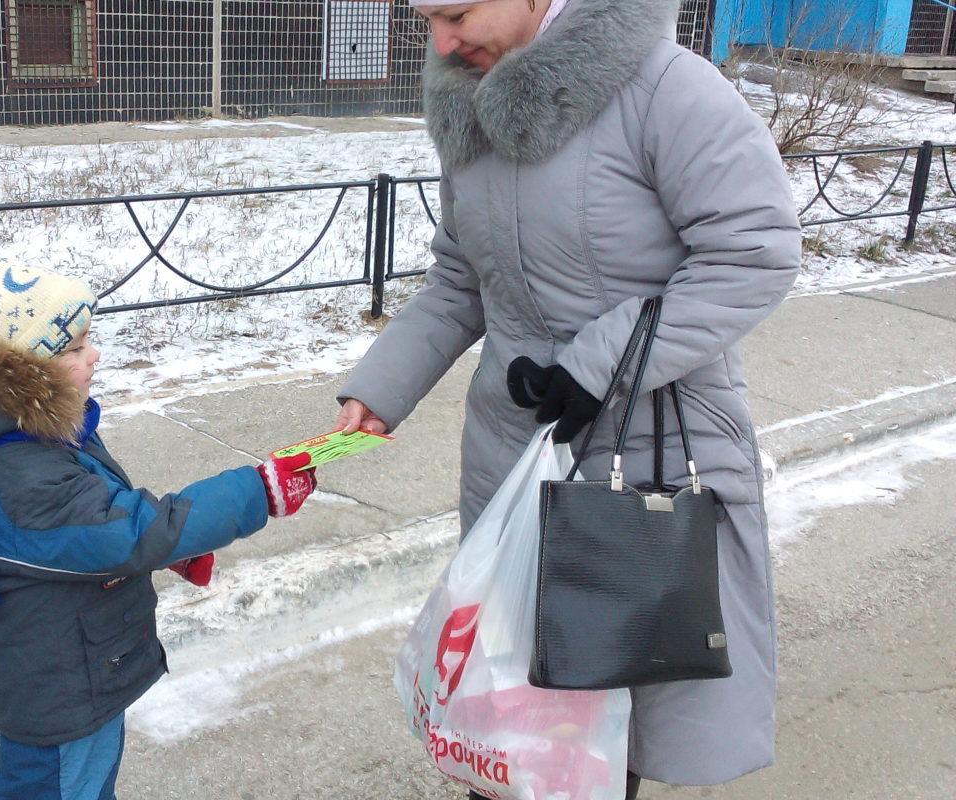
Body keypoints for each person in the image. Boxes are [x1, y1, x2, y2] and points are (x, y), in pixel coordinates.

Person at [335, 0, 802, 797]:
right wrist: (380, 391)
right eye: (428, 21)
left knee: (599, 735)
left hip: (649, 458)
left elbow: (754, 251)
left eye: (455, 13)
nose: (441, 44)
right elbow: (459, 279)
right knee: (511, 720)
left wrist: (595, 365)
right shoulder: (472, 102)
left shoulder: (666, 90)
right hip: (512, 457)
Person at [0, 259, 317, 799]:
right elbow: (123, 533)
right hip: (62, 691)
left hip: (74, 670)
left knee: (87, 783)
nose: (93, 355)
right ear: (21, 375)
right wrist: (256, 491)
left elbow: (100, 521)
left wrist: (165, 548)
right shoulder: (22, 472)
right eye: (73, 349)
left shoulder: (29, 434)